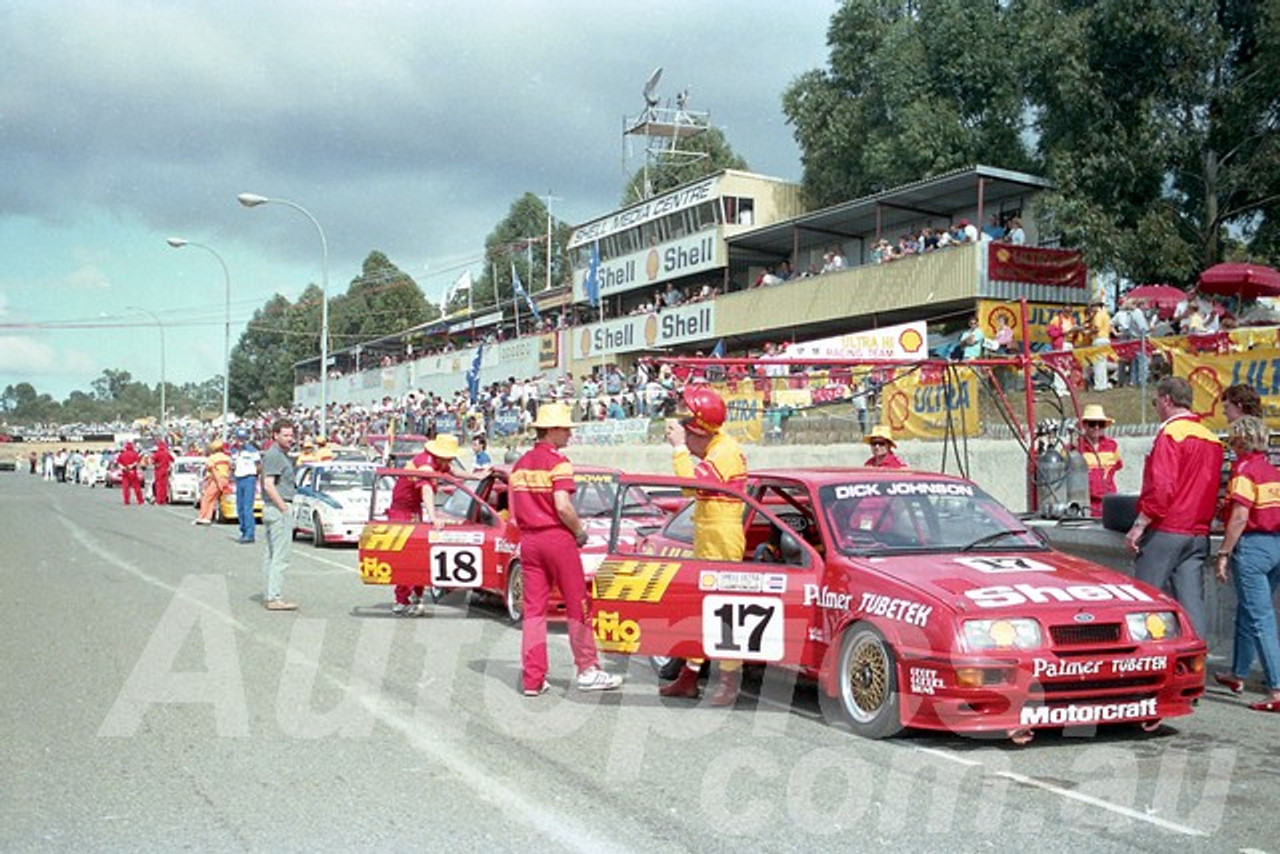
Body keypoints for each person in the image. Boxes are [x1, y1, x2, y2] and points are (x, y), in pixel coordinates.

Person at [510, 403, 622, 696]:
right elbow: (562, 505)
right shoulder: (559, 463)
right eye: (566, 429)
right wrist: (579, 531)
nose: (569, 434)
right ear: (552, 430)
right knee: (578, 604)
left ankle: (532, 680)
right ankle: (587, 669)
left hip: (530, 540)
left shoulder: (520, 465)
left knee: (534, 612)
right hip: (557, 537)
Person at [660, 386, 749, 705]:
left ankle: (728, 681)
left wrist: (679, 449)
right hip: (711, 537)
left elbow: (688, 487)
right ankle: (689, 677)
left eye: (688, 429)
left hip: (721, 540)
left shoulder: (723, 451)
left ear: (699, 430)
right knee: (701, 609)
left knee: (724, 611)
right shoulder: (720, 448)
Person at [1125, 377, 1223, 636]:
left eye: (1157, 401)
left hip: (1167, 528)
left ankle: (1144, 660)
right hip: (1198, 532)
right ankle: (1196, 657)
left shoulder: (1170, 434)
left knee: (1144, 599)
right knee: (1192, 604)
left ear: (1167, 400)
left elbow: (1162, 488)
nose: (1157, 406)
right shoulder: (1211, 438)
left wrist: (1139, 525)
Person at [1212, 415, 1280, 713]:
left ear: (1240, 441)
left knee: (1260, 617)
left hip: (1252, 546)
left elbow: (1240, 516)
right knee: (1248, 612)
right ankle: (1238, 673)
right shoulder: (1272, 471)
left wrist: (1224, 553)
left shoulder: (1244, 470)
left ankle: (1276, 687)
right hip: (1276, 543)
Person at [387, 433, 462, 615]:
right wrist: (433, 516)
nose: (451, 460)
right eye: (450, 456)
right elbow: (427, 491)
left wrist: (479, 475)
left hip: (414, 510)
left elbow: (455, 473)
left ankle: (417, 596)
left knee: (418, 555)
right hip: (401, 512)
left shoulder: (439, 463)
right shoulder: (426, 465)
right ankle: (403, 599)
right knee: (404, 556)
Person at [261, 419, 298, 611]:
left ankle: (270, 593)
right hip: (277, 507)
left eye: (291, 435)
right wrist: (284, 508)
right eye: (286, 435)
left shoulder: (280, 455)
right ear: (275, 435)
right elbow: (269, 484)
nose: (290, 439)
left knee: (271, 554)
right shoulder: (275, 455)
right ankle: (274, 596)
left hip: (272, 508)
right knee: (280, 556)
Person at [1077, 404, 1122, 517]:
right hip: (1085, 506)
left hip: (1108, 504)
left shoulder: (1112, 446)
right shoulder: (1074, 449)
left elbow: (1116, 466)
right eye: (1092, 424)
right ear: (1085, 425)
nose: (1097, 427)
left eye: (1100, 424)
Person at [233, 429, 261, 544]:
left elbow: (259, 465)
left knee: (247, 507)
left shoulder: (252, 451)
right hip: (239, 478)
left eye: (243, 439)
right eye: (239, 439)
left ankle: (250, 534)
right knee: (239, 507)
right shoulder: (234, 451)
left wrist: (255, 476)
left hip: (249, 478)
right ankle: (243, 530)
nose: (241, 441)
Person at [195, 439, 232, 526]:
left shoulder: (212, 458)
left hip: (216, 479)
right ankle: (208, 517)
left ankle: (203, 517)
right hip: (225, 478)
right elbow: (230, 470)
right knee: (214, 499)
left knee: (207, 498)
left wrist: (218, 481)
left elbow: (213, 471)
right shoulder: (227, 458)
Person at [1086, 301, 1113, 390]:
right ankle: (1103, 383)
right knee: (1103, 363)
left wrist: (1088, 332)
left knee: (1097, 363)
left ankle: (1098, 385)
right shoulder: (1106, 314)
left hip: (1099, 339)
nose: (1091, 309)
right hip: (1106, 338)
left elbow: (1096, 328)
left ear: (1096, 306)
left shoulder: (1098, 315)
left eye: (1092, 306)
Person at [116, 442, 144, 506]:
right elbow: (137, 462)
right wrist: (131, 466)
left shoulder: (122, 454)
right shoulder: (135, 454)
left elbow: (118, 463)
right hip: (133, 472)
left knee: (126, 488)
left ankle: (126, 501)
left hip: (125, 473)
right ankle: (140, 500)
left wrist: (124, 468)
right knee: (137, 487)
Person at [151, 440, 174, 505]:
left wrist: (156, 464)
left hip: (159, 471)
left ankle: (158, 500)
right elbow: (173, 460)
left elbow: (152, 461)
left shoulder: (157, 453)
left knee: (158, 486)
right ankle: (163, 501)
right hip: (165, 470)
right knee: (164, 486)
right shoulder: (167, 453)